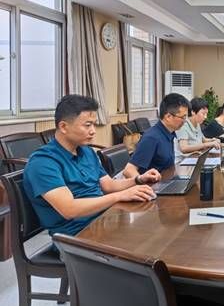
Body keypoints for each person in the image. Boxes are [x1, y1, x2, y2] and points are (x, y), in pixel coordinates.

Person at [23, 95, 159, 236]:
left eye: (94, 124)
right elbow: (69, 209)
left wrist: (138, 180)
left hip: (104, 219)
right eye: (87, 125)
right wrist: (119, 196)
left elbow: (109, 186)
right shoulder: (43, 162)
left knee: (152, 227)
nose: (93, 130)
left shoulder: (86, 151)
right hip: (76, 234)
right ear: (63, 126)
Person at [123, 93, 190, 178]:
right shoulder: (152, 138)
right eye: (183, 117)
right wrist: (143, 184)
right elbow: (129, 170)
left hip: (166, 181)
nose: (185, 121)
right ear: (168, 117)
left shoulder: (169, 133)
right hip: (153, 185)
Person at [174, 97, 220, 164]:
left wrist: (213, 140)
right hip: (183, 162)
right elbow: (184, 148)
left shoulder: (197, 123)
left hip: (195, 158)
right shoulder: (183, 125)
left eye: (206, 114)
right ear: (193, 112)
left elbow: (203, 140)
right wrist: (207, 144)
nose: (205, 117)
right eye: (203, 114)